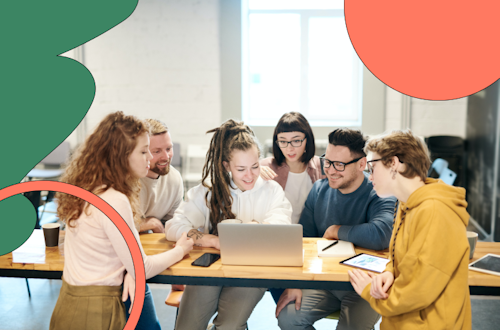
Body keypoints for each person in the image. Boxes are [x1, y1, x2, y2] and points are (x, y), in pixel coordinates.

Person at [49, 111, 193, 330]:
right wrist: (181, 250)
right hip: (98, 309)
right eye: (144, 151)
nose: (149, 158)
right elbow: (141, 267)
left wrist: (130, 271)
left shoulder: (89, 188)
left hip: (69, 302)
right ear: (122, 156)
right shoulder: (115, 199)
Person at [165, 119, 293, 330]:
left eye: (254, 166)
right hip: (210, 269)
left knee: (230, 325)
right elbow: (173, 226)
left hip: (252, 271)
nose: (250, 175)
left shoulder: (272, 191)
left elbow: (280, 227)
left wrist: (251, 230)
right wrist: (210, 240)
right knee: (187, 326)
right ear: (226, 165)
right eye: (241, 169)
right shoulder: (208, 190)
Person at [349, 130, 471, 330]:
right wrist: (389, 272)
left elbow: (418, 290)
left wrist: (369, 290)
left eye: (372, 168)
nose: (369, 178)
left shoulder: (434, 211)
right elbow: (404, 259)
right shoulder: (407, 204)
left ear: (393, 163)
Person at [276, 128, 396, 330]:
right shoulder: (319, 190)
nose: (330, 170)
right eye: (327, 161)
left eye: (339, 164)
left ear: (361, 164)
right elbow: (303, 240)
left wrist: (337, 230)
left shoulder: (380, 192)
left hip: (365, 284)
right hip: (325, 282)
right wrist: (295, 283)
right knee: (288, 319)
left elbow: (382, 234)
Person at [125, 119, 184, 329]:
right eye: (156, 150)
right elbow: (119, 226)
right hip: (123, 264)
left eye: (168, 148)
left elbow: (175, 224)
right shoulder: (128, 181)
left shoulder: (174, 179)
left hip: (147, 258)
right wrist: (146, 223)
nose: (165, 156)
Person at [260, 112, 326, 224]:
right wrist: (254, 171)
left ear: (307, 140)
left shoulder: (323, 166)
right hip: (277, 235)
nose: (289, 148)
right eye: (283, 141)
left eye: (296, 141)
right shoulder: (264, 167)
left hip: (312, 237)